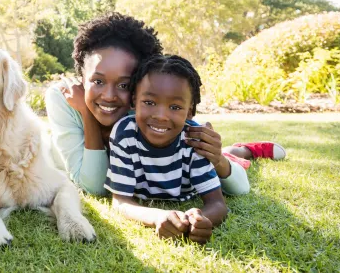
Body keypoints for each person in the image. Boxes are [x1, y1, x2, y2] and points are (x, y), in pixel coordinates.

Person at [45, 13, 284, 197]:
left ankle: (242, 151)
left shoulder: (148, 108)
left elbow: (239, 189)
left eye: (125, 85)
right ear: (81, 77)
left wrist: (218, 159)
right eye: (97, 81)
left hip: (164, 163)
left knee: (208, 157)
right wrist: (87, 115)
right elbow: (94, 186)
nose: (108, 96)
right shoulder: (64, 99)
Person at [106, 55, 225, 244]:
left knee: (233, 161)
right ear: (134, 100)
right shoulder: (124, 134)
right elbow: (120, 202)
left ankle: (245, 151)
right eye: (149, 102)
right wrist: (156, 217)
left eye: (175, 107)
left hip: (202, 176)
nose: (161, 116)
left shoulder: (194, 139)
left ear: (190, 111)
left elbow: (218, 203)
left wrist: (200, 219)